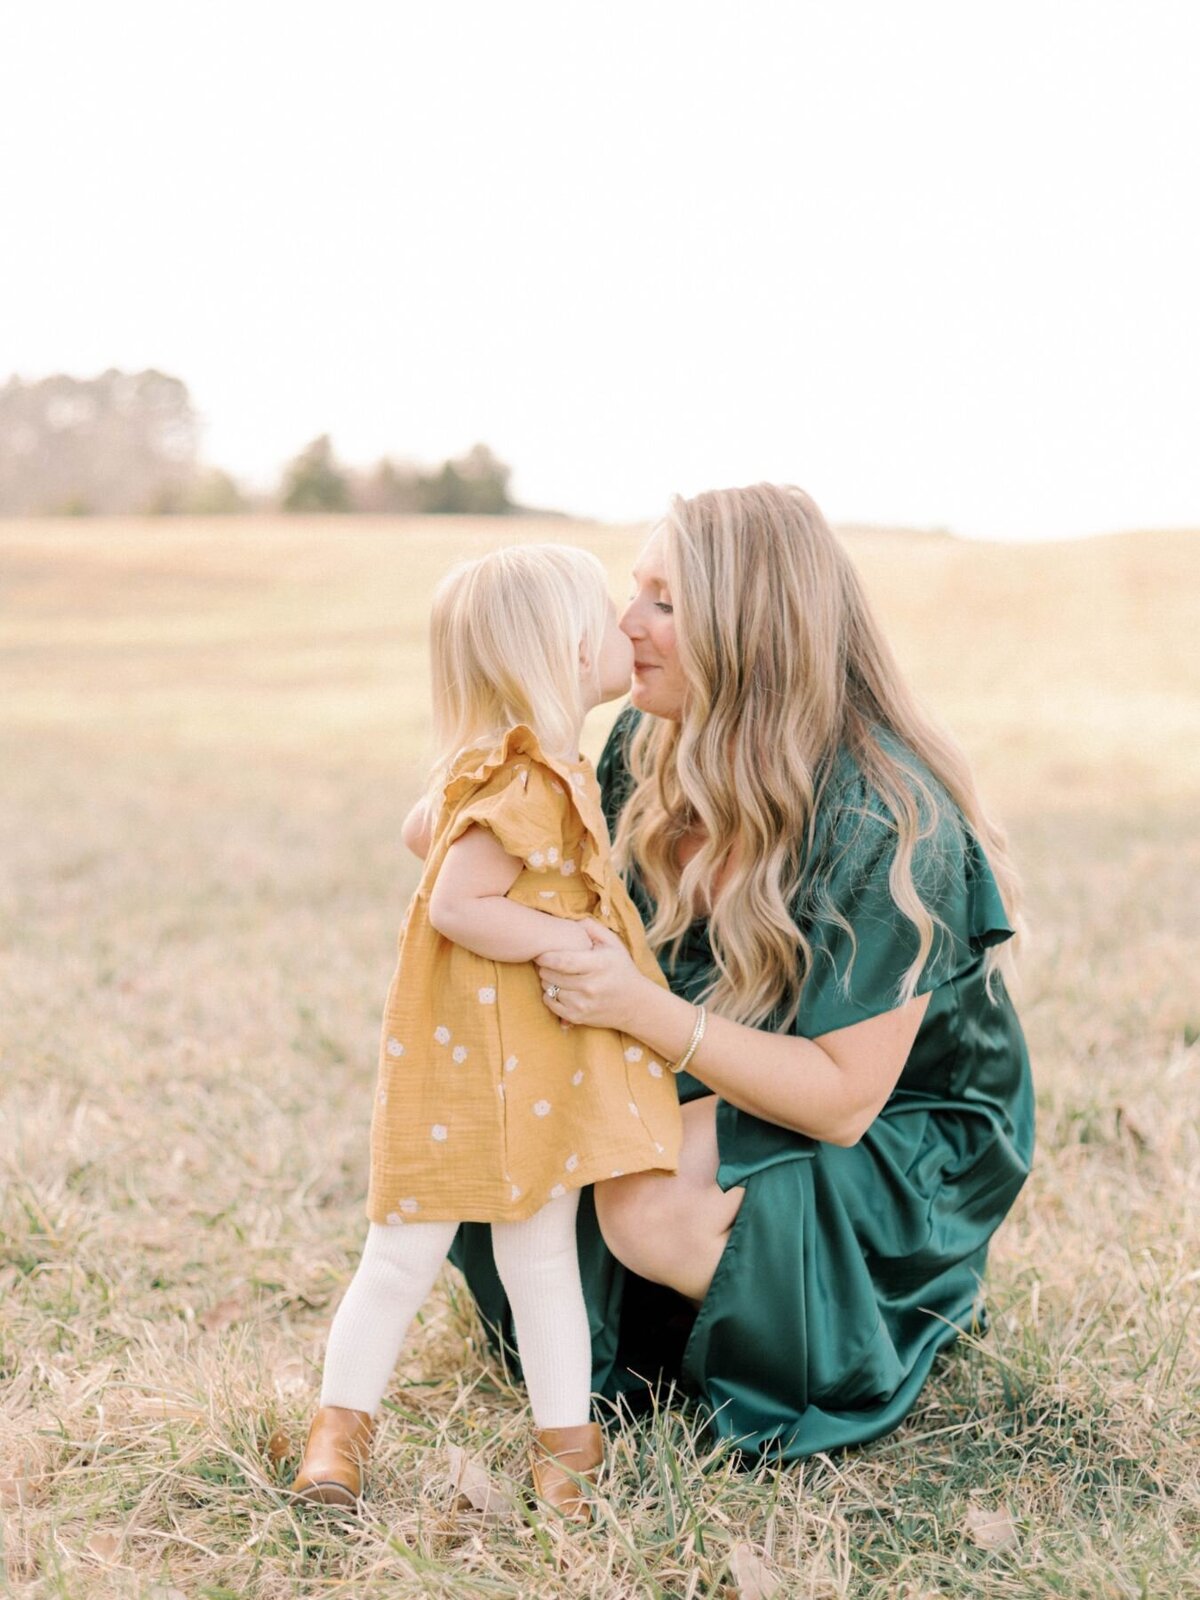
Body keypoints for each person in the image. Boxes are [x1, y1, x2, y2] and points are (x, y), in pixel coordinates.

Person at [451, 484, 1035, 1461]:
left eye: (665, 603)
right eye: (633, 590)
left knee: (650, 1205)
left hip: (894, 1123)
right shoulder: (649, 740)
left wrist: (639, 1014)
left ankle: (861, 1314)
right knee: (517, 1141)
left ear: (753, 633)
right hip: (723, 1049)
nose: (623, 624)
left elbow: (845, 1100)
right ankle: (690, 1316)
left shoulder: (889, 822)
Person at [289, 544, 682, 1520]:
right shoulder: (526, 783)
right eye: (604, 614)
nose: (625, 628)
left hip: (523, 1066)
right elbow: (462, 902)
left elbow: (422, 831)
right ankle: (340, 1437)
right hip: (473, 1071)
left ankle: (565, 1442)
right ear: (560, 649)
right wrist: (561, 933)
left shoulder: (522, 767)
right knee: (407, 1253)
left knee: (531, 1255)